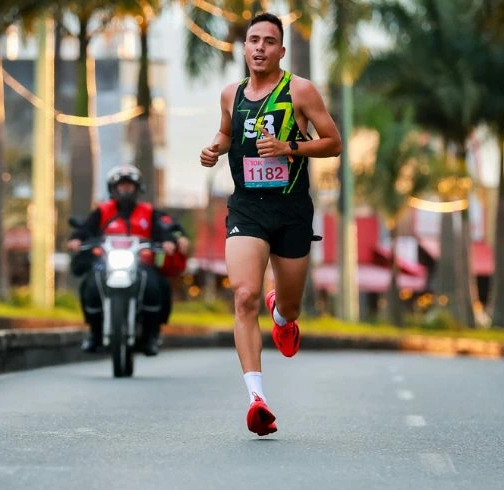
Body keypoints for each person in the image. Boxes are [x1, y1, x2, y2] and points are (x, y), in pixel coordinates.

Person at [199, 12, 342, 436]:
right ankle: (257, 399)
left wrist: (288, 147)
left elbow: (333, 143)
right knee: (244, 296)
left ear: (281, 50)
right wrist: (214, 149)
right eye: (253, 40)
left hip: (291, 209)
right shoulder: (231, 94)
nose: (260, 47)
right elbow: (227, 134)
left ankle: (282, 315)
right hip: (247, 207)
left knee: (292, 306)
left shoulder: (300, 91)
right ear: (244, 48)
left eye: (268, 41)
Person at [67, 165, 190, 357]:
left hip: (141, 263)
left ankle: (151, 336)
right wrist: (76, 239)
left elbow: (165, 229)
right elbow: (85, 229)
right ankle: (94, 333)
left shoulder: (148, 212)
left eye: (129, 185)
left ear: (137, 188)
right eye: (121, 185)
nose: (125, 189)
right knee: (90, 284)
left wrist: (169, 241)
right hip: (106, 262)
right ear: (113, 188)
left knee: (157, 286)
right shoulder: (102, 211)